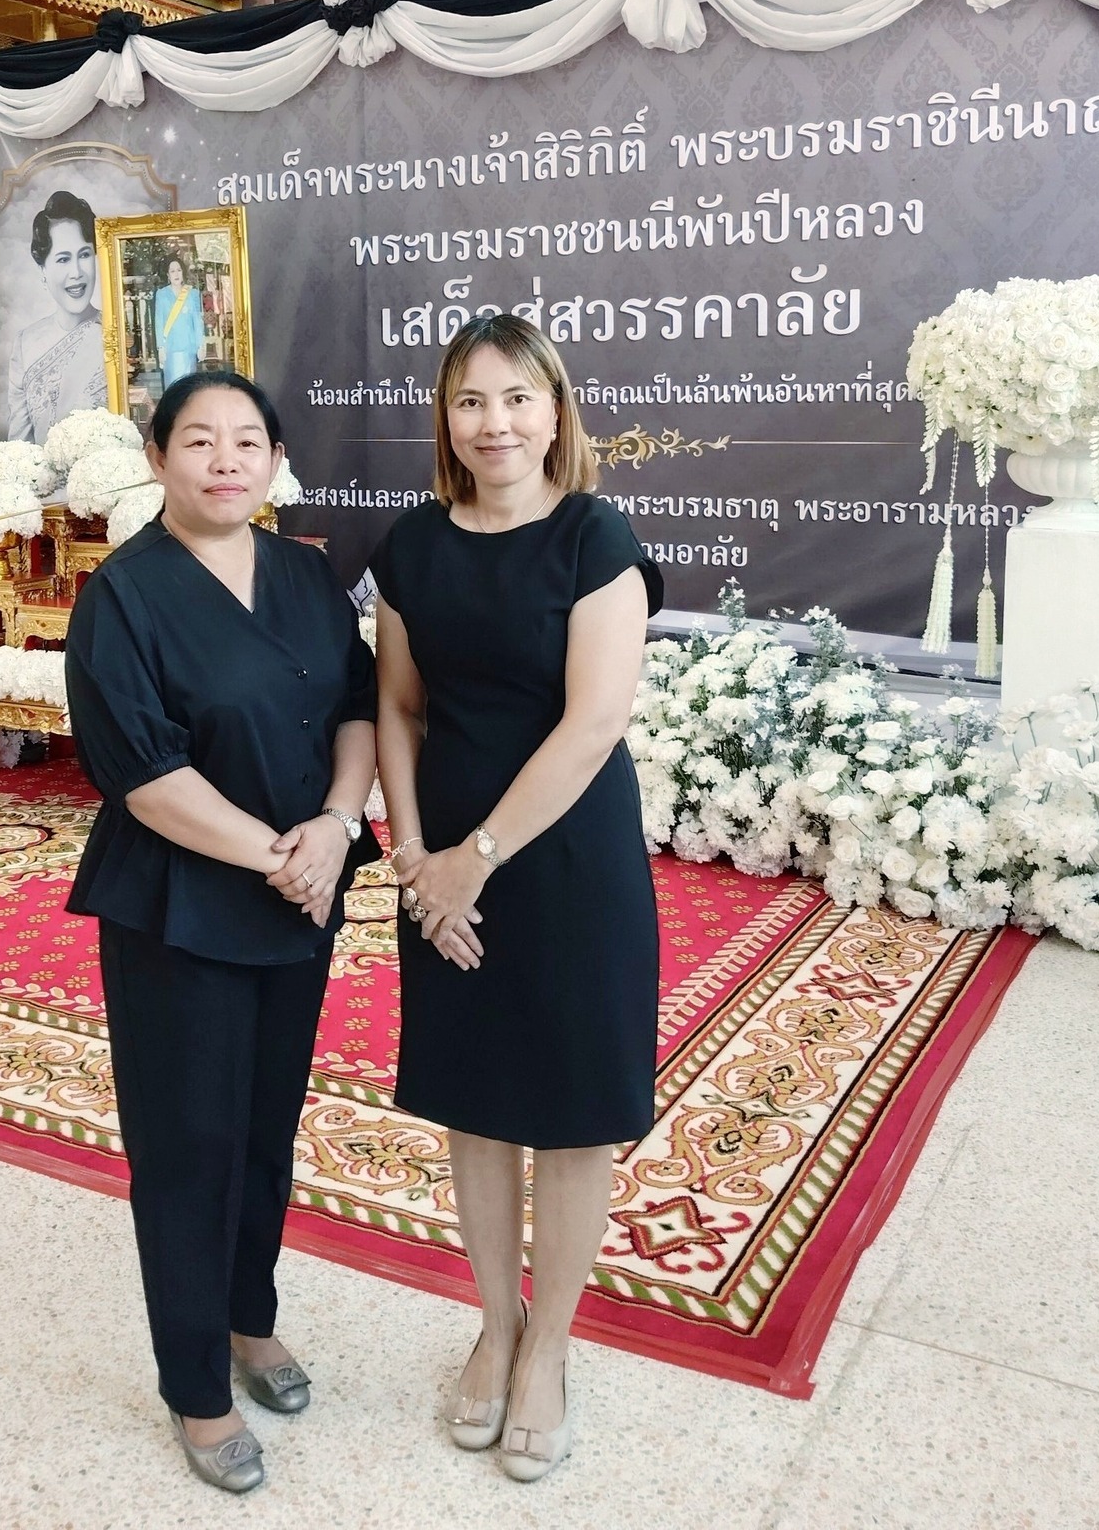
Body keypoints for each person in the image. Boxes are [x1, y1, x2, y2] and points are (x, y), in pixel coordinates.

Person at [63, 369, 377, 1495]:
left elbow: (357, 707)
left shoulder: (304, 572)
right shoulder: (124, 594)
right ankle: (196, 1386)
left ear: (276, 459)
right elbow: (144, 774)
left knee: (264, 1130)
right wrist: (282, 856)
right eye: (199, 440)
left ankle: (251, 1319)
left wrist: (336, 826)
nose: (226, 459)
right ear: (158, 458)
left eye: (249, 440)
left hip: (301, 895)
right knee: (188, 1148)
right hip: (180, 907)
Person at [370, 313, 662, 1483]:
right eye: (471, 400)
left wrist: (473, 858)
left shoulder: (594, 536)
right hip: (444, 859)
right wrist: (415, 856)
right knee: (478, 1098)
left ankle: (550, 1345)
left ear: (555, 412)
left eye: (517, 398)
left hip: (564, 858)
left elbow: (594, 721)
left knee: (576, 1107)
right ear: (446, 418)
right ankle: (497, 1322)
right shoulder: (411, 544)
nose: (494, 422)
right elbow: (398, 706)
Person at [6, 189, 107, 441]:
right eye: (63, 259)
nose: (77, 272)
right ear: (43, 269)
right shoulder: (25, 344)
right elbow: (19, 447)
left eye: (84, 255)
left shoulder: (117, 333)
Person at [153, 255, 205, 389]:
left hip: (189, 348)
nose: (176, 274)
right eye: (172, 271)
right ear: (168, 275)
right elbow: (159, 322)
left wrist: (200, 345)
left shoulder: (192, 293)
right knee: (173, 387)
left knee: (188, 388)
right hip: (170, 348)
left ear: (183, 273)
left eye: (179, 270)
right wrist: (160, 347)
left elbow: (197, 321)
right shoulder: (162, 294)